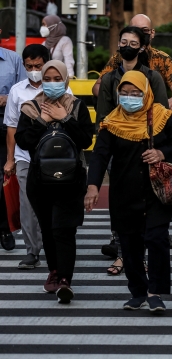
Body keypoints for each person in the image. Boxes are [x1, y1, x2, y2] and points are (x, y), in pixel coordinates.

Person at [85, 71, 172, 312]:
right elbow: (100, 156)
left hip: (157, 192)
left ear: (146, 93)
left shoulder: (161, 116)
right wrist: (92, 186)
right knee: (129, 245)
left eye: (135, 93)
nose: (129, 97)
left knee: (156, 238)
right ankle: (138, 292)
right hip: (124, 193)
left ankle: (155, 292)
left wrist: (162, 153)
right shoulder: (111, 122)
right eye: (125, 93)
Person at [15, 60, 94, 303]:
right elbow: (24, 141)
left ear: (65, 79)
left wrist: (64, 118)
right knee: (48, 229)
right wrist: (43, 121)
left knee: (64, 229)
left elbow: (84, 139)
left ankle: (65, 279)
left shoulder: (77, 106)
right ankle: (53, 270)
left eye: (56, 78)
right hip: (40, 180)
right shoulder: (30, 107)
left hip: (71, 180)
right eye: (47, 79)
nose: (51, 83)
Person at [96, 25, 170, 275]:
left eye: (133, 43)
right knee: (120, 202)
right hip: (118, 146)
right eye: (123, 41)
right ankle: (121, 252)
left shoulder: (152, 76)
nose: (128, 46)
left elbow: (161, 113)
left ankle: (143, 255)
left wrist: (159, 150)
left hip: (147, 148)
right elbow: (103, 115)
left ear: (143, 47)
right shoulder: (109, 78)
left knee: (149, 203)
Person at [4, 45, 56, 270]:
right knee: (27, 205)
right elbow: (12, 128)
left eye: (38, 66)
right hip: (24, 156)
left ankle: (54, 247)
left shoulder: (60, 87)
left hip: (53, 157)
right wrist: (10, 159)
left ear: (46, 63)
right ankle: (32, 251)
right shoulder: (17, 91)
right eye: (29, 66)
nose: (34, 70)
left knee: (52, 203)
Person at [92, 14, 172, 122]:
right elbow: (98, 86)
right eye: (135, 30)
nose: (139, 33)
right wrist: (121, 99)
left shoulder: (162, 59)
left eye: (144, 30)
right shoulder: (119, 58)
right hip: (121, 114)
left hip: (151, 115)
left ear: (152, 33)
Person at [0, 30, 26, 253]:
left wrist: (7, 98)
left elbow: (24, 90)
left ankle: (4, 228)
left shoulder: (13, 59)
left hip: (5, 122)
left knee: (4, 177)